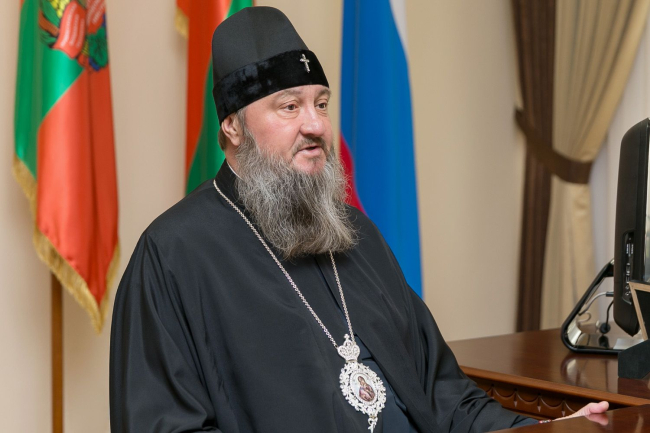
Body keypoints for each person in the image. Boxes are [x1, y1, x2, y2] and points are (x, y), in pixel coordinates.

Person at [109, 6, 608, 432]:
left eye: (321, 104)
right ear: (233, 127)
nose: (316, 125)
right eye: (290, 107)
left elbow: (448, 399)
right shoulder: (171, 256)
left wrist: (549, 429)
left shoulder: (355, 233)